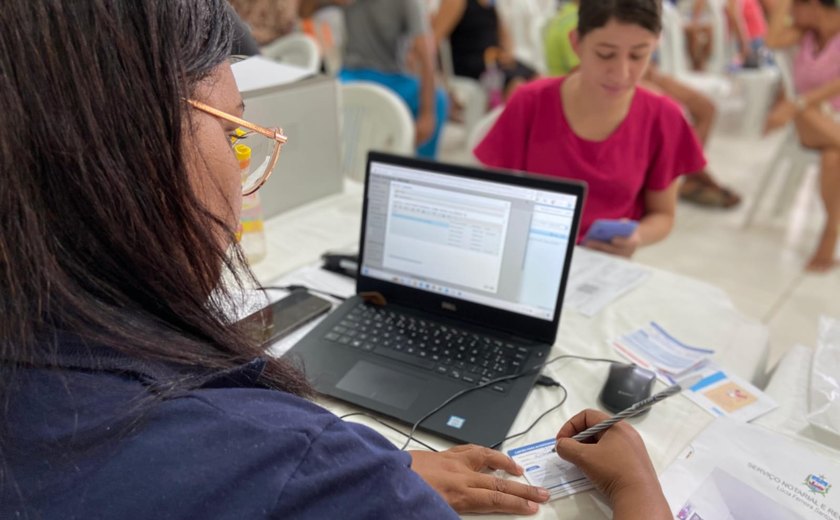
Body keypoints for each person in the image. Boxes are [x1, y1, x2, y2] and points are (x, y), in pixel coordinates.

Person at [0, 1, 672, 518]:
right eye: (236, 132)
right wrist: (638, 484)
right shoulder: (286, 465)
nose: (243, 171)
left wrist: (379, 471)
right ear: (123, 162)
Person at [477, 0, 707, 258]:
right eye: (605, 54)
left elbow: (663, 214)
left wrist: (637, 236)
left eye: (638, 55)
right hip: (528, 255)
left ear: (656, 46)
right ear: (576, 43)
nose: (621, 73)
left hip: (606, 263)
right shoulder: (530, 103)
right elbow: (494, 199)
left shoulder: (664, 117)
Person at [301, 0, 448, 159]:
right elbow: (303, 12)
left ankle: (421, 171)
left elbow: (426, 54)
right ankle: (336, 164)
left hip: (394, 77)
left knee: (438, 100)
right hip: (352, 73)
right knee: (326, 100)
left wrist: (427, 114)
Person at [765, 0, 840, 271]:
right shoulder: (804, 33)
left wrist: (795, 103)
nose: (791, 15)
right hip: (809, 123)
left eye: (795, 6)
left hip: (829, 123)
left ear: (815, 7)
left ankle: (830, 232)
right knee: (805, 112)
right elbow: (771, 40)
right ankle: (829, 238)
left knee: (834, 158)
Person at [431, 0, 537, 99]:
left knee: (541, 81)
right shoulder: (456, 2)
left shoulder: (490, 3)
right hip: (471, 64)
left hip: (495, 61)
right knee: (517, 86)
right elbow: (434, 39)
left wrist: (508, 53)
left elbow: (504, 34)